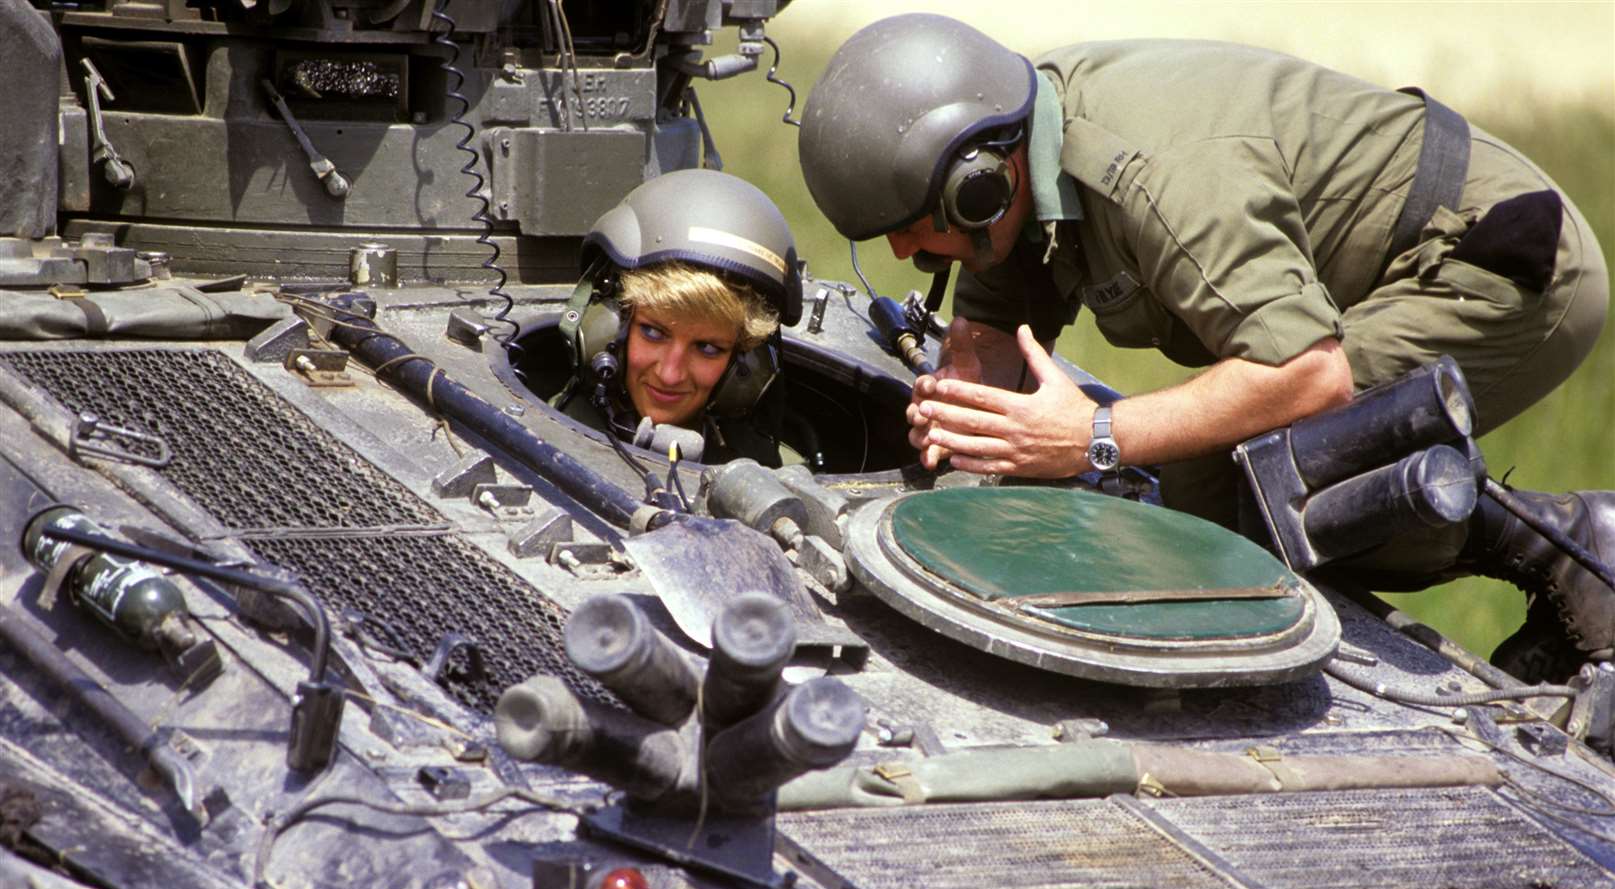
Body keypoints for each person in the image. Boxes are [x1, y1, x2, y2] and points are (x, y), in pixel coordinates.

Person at [798, 13, 1611, 679]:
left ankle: (1562, 540)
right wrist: (963, 421)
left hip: (1490, 263)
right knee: (1187, 479)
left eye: (912, 229)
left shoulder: (1155, 174)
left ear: (980, 180)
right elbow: (991, 328)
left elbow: (1304, 372)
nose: (905, 257)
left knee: (1237, 497)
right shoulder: (1015, 158)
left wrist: (1089, 436)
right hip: (1356, 292)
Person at [556, 169, 803, 467]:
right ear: (610, 332)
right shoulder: (545, 434)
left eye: (708, 349)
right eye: (653, 332)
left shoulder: (759, 465)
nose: (670, 374)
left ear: (745, 366)